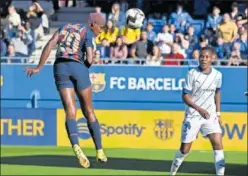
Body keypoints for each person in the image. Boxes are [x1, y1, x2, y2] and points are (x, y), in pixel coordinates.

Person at [25, 13, 107, 168]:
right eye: (101, 27)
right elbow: (89, 59)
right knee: (89, 111)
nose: (101, 31)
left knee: (70, 111)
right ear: (93, 24)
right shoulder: (88, 33)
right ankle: (100, 150)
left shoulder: (64, 27)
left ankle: (76, 146)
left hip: (60, 67)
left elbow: (50, 44)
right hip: (78, 67)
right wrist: (86, 66)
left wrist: (39, 67)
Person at [170, 47, 225, 176]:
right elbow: (185, 96)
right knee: (185, 149)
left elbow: (217, 93)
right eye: (201, 56)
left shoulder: (218, 75)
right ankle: (172, 172)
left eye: (206, 57)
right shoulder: (192, 74)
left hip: (210, 115)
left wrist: (218, 113)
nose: (204, 59)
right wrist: (198, 109)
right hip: (193, 114)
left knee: (218, 143)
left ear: (212, 58)